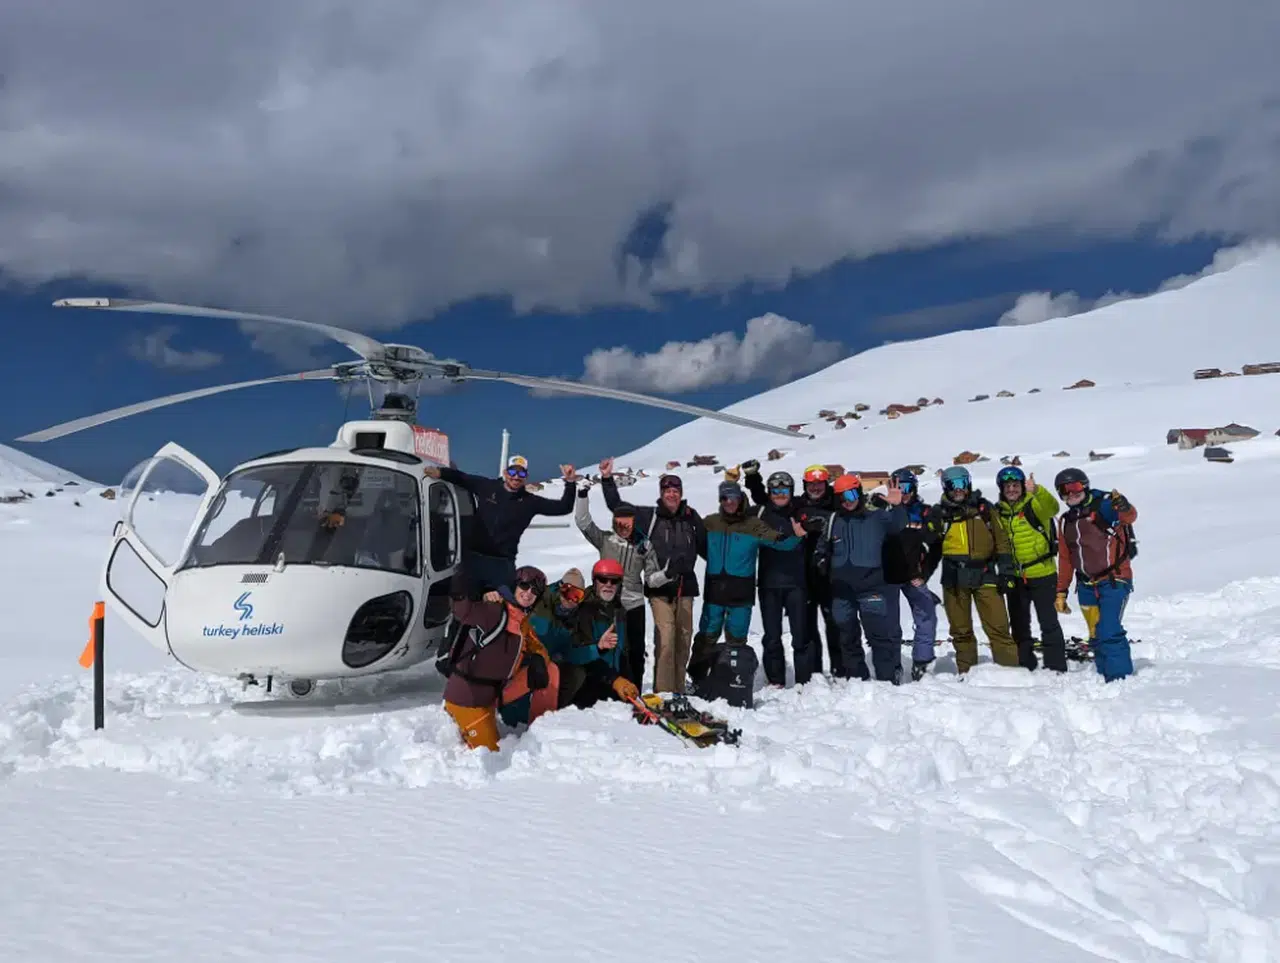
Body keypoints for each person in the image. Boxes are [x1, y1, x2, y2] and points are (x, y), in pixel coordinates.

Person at [687, 480, 806, 688]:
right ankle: (698, 679)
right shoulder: (711, 523)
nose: (729, 502)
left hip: (741, 593)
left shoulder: (753, 525)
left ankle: (733, 682)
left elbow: (778, 542)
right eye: (724, 498)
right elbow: (695, 541)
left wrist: (795, 536)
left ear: (740, 498)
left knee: (736, 639)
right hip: (714, 591)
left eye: (733, 497)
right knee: (706, 636)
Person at [599, 463, 706, 694]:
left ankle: (679, 689)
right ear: (661, 493)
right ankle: (664, 692)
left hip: (686, 588)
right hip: (660, 590)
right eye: (667, 491)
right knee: (666, 639)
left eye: (675, 491)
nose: (671, 494)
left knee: (683, 641)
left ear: (681, 493)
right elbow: (618, 507)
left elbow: (706, 547)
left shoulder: (691, 517)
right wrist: (607, 479)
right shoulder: (649, 517)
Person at [440, 565, 559, 751]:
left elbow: (537, 646)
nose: (529, 593)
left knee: (550, 670)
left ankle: (541, 727)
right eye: (524, 585)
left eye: (536, 590)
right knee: (491, 754)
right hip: (467, 699)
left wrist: (538, 658)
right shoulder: (493, 609)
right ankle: (458, 718)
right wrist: (476, 589)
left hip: (492, 695)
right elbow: (461, 608)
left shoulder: (521, 620)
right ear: (514, 585)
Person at [424, 454, 577, 595]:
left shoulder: (530, 502)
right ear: (505, 473)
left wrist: (570, 482)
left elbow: (564, 507)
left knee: (501, 605)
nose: (516, 477)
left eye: (521, 473)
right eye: (512, 472)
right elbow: (463, 478)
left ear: (526, 477)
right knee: (468, 601)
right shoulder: (488, 487)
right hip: (474, 558)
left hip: (502, 564)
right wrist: (441, 473)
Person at [814, 473, 907, 683]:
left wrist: (897, 506)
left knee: (878, 635)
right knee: (847, 635)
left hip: (871, 585)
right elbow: (822, 546)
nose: (848, 501)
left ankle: (886, 679)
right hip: (841, 589)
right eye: (842, 497)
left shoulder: (876, 517)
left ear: (859, 493)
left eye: (851, 494)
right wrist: (820, 560)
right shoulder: (833, 520)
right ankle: (857, 678)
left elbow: (898, 525)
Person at [573, 468, 660, 686]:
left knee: (635, 649)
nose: (624, 527)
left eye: (628, 522)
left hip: (633, 604)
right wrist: (582, 494)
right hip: (607, 602)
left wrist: (666, 575)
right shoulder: (605, 540)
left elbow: (651, 577)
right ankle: (606, 686)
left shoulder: (644, 545)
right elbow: (583, 521)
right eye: (619, 522)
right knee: (609, 644)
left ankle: (634, 689)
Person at [1053, 468, 1138, 682]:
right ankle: (1104, 673)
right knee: (1095, 634)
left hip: (1114, 580)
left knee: (1109, 630)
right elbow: (1066, 558)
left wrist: (1124, 506)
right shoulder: (1066, 521)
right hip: (1086, 586)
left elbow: (1129, 517)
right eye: (1064, 490)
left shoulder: (1104, 506)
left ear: (1085, 486)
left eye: (1075, 487)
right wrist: (1061, 591)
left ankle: (1120, 679)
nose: (1071, 494)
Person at [933, 466, 1018, 675]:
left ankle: (1010, 674)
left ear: (968, 484)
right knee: (960, 630)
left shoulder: (984, 509)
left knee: (998, 626)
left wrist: (1007, 571)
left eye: (962, 483)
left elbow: (1002, 541)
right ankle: (967, 674)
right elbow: (928, 546)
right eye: (952, 485)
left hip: (984, 573)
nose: (958, 489)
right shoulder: (940, 513)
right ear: (945, 487)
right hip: (954, 576)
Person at [742, 466, 815, 686]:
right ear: (769, 492)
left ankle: (804, 682)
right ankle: (776, 681)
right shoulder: (760, 513)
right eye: (775, 491)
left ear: (792, 491)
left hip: (797, 584)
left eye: (784, 490)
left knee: (801, 637)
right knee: (772, 637)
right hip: (769, 584)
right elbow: (734, 513)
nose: (780, 495)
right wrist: (751, 478)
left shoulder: (801, 511)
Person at [993, 466, 1067, 673]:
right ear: (1002, 489)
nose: (1012, 489)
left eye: (1016, 485)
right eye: (1007, 486)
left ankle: (1055, 665)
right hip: (1016, 577)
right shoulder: (999, 512)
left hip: (1042, 574)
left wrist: (1038, 490)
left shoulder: (1034, 505)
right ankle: (1025, 663)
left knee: (1048, 622)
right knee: (1019, 624)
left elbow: (1053, 508)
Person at [886, 467, 943, 681]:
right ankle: (892, 665)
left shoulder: (925, 513)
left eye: (908, 487)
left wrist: (924, 573)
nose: (904, 492)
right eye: (899, 487)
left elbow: (936, 546)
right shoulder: (883, 511)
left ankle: (922, 661)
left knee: (926, 614)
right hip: (888, 577)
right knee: (889, 623)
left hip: (913, 575)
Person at [559, 559, 640, 708]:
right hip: (587, 686)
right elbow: (584, 658)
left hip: (610, 684)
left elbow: (623, 653)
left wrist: (628, 683)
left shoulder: (619, 611)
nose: (608, 585)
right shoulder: (584, 610)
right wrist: (615, 681)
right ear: (595, 581)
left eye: (614, 581)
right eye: (603, 580)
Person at [796, 464, 844, 677]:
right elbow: (770, 503)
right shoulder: (798, 505)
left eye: (819, 484)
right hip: (804, 576)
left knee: (834, 625)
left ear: (826, 484)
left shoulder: (837, 503)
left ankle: (839, 669)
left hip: (831, 575)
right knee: (807, 627)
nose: (815, 488)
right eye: (811, 484)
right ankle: (814, 672)